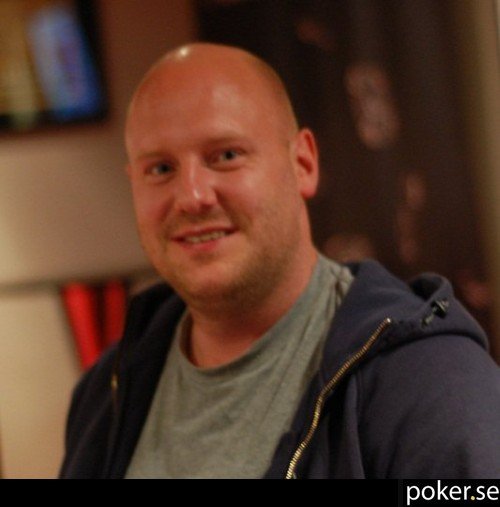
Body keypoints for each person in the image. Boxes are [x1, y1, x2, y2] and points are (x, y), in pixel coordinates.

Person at [59, 43, 500, 479]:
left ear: (303, 164)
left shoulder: (429, 378)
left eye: (226, 156)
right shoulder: (103, 392)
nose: (192, 196)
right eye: (160, 169)